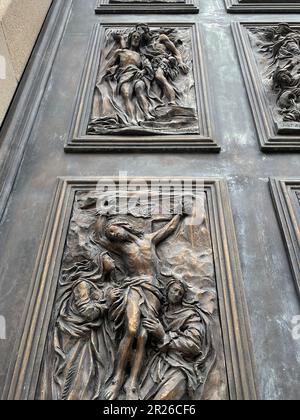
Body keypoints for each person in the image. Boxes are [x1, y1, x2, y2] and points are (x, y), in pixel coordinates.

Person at [99, 215, 186, 400]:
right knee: (131, 329)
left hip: (152, 288)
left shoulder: (149, 239)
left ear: (123, 226)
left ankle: (132, 384)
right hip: (134, 286)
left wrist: (180, 213)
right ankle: (116, 379)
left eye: (114, 230)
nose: (113, 235)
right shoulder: (120, 247)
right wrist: (102, 212)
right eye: (111, 234)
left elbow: (169, 229)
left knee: (143, 336)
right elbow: (97, 236)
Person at [51, 253, 120, 400]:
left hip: (97, 339)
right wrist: (107, 303)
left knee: (92, 378)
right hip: (79, 338)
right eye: (108, 257)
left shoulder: (106, 286)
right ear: (99, 263)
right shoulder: (83, 284)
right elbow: (87, 312)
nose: (112, 259)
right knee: (79, 379)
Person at [140, 278, 214, 400]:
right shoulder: (158, 312)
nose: (176, 294)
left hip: (180, 367)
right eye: (174, 290)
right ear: (168, 290)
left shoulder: (190, 315)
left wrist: (164, 336)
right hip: (156, 365)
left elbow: (193, 344)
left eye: (180, 293)